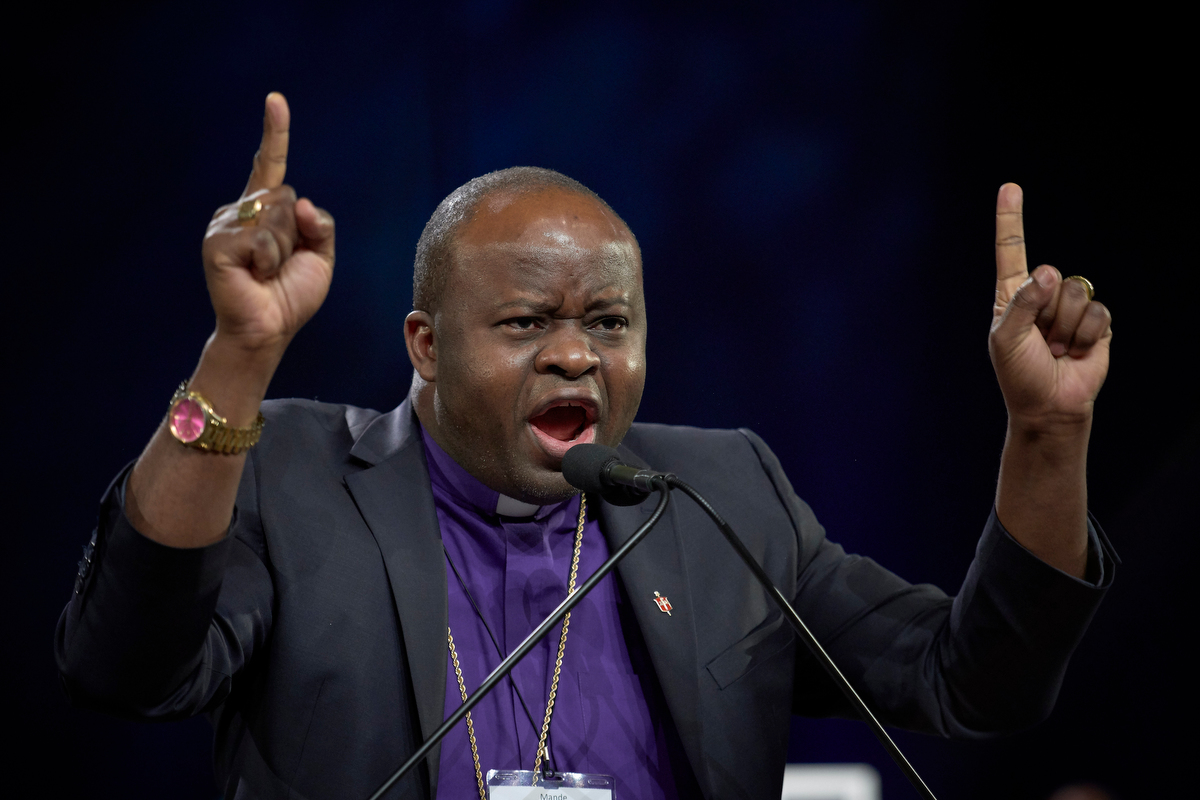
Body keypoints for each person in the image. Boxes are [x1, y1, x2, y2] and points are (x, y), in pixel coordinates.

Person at [56, 93, 1117, 800]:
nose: (575, 357)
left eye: (608, 324)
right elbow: (127, 667)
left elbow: (978, 681)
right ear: (425, 344)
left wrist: (1048, 430)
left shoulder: (721, 492)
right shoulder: (291, 475)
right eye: (524, 325)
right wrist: (240, 353)